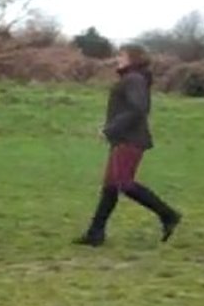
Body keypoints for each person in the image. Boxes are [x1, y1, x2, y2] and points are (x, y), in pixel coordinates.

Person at [75, 44, 181, 247]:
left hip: (130, 139)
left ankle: (168, 215)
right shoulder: (132, 78)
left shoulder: (134, 79)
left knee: (124, 183)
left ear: (134, 58)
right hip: (123, 138)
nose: (118, 59)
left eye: (122, 56)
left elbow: (138, 109)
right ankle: (95, 233)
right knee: (110, 187)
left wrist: (110, 129)